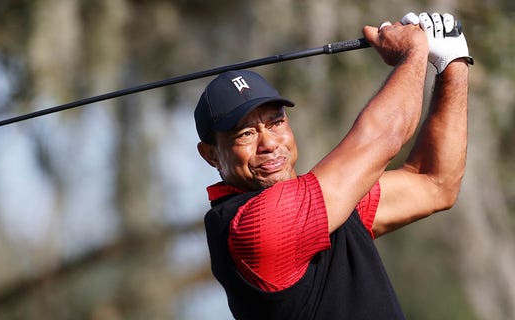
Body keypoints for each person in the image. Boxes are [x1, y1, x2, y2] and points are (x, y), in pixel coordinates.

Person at [194, 12, 472, 320]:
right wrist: (414, 52)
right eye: (245, 133)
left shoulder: (321, 207)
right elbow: (385, 137)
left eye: (275, 123)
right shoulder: (251, 228)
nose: (269, 143)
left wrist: (452, 63)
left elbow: (434, 184)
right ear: (211, 155)